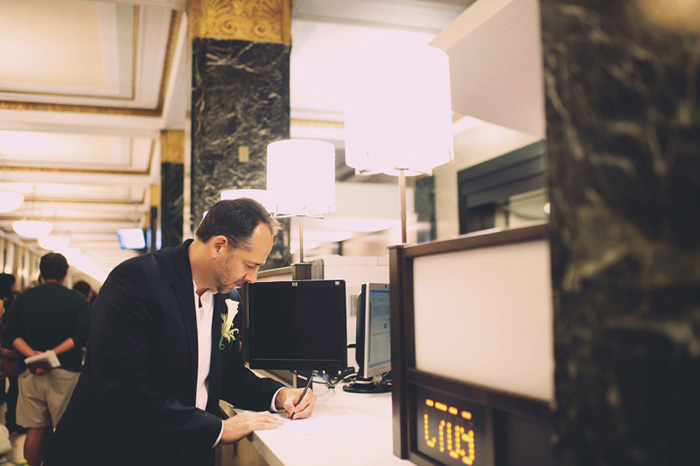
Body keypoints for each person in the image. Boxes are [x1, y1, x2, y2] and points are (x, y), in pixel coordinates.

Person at [47, 199, 316, 466]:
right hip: (115, 450)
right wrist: (219, 429)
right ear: (219, 246)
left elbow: (229, 375)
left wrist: (279, 395)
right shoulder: (136, 281)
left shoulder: (228, 298)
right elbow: (122, 390)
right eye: (250, 265)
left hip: (186, 454)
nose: (253, 278)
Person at [2, 253, 90, 466]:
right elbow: (80, 337)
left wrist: (36, 357)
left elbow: (11, 335)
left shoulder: (24, 298)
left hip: (30, 372)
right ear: (66, 272)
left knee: (34, 429)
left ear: (40, 272)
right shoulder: (77, 300)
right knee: (64, 428)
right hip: (66, 372)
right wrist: (52, 355)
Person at [0, 273, 23, 435]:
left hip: (6, 347)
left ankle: (10, 420)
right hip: (11, 347)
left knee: (11, 383)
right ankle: (13, 420)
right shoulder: (10, 302)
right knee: (15, 384)